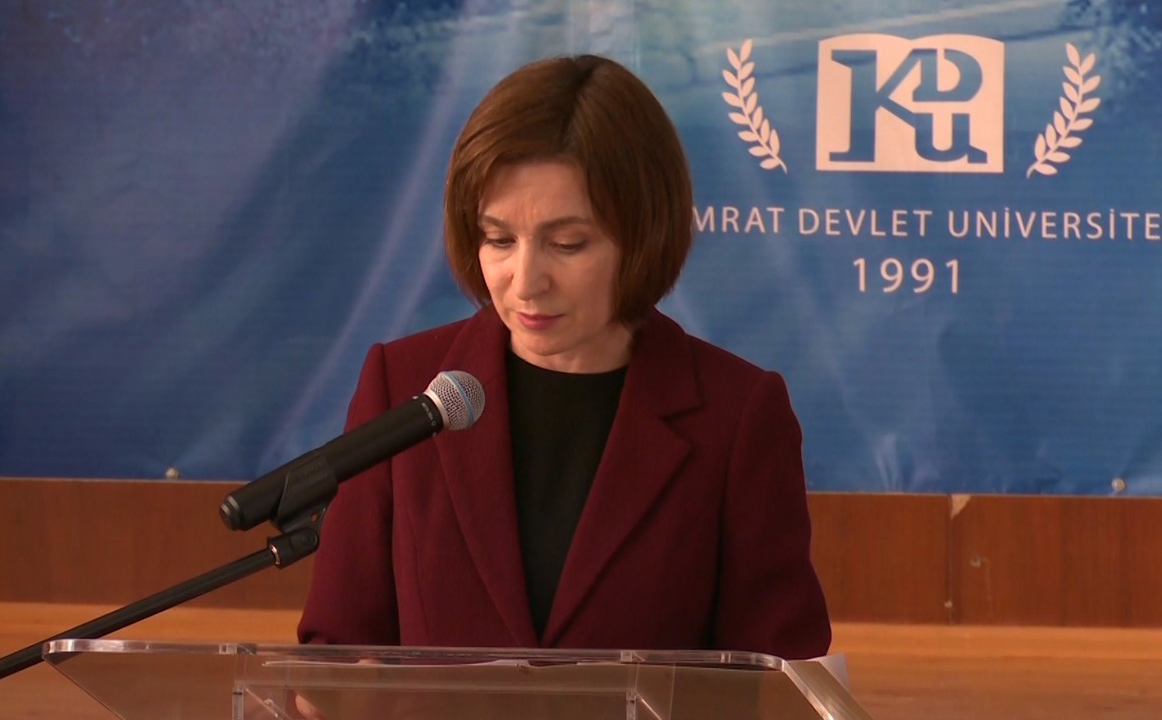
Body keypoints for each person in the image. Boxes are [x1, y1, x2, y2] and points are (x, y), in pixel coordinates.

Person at [297, 54, 830, 659]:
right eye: (499, 239)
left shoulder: (736, 416)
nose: (526, 282)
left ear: (643, 235)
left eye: (568, 244)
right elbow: (336, 645)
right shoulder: (404, 387)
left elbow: (778, 674)